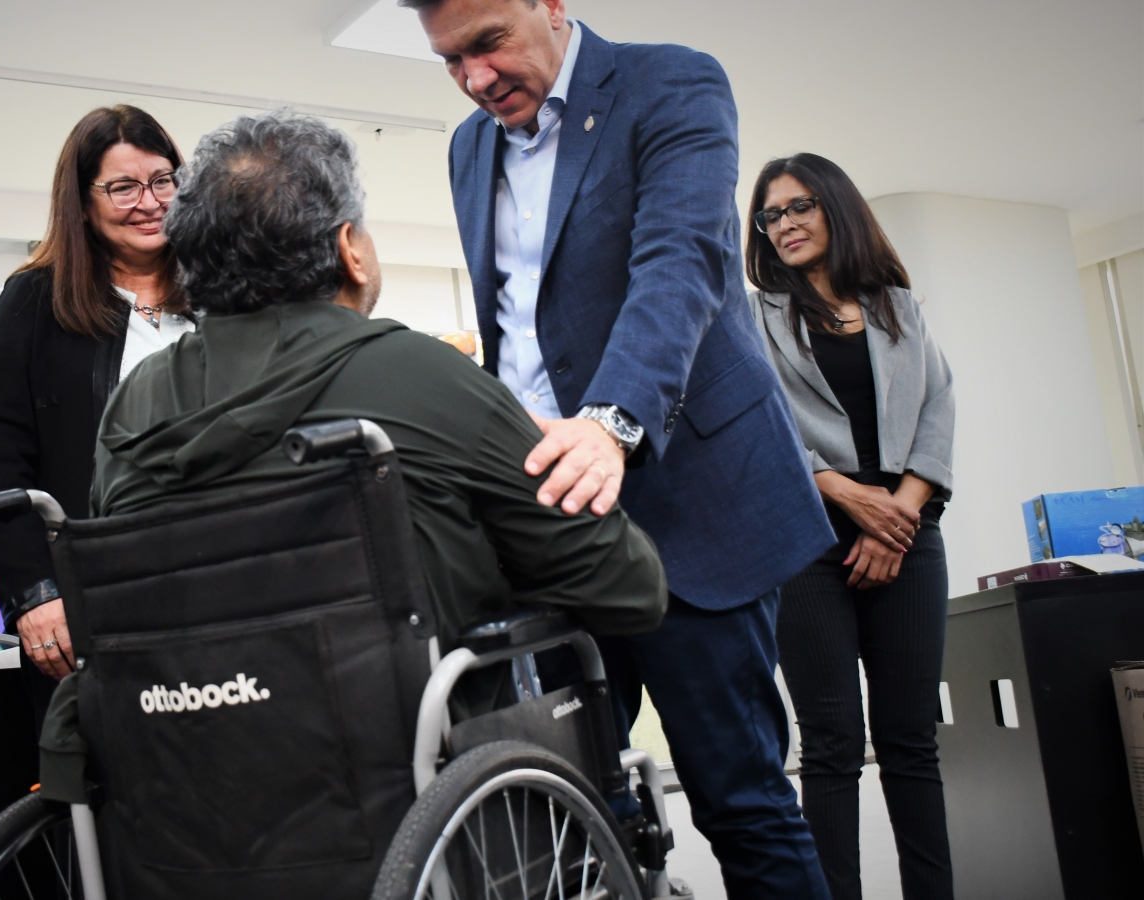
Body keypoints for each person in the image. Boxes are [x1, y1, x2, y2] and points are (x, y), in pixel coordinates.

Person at [405, 1, 837, 896]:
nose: (475, 79)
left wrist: (610, 419)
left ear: (552, 5)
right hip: (550, 516)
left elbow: (680, 261)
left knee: (738, 798)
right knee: (568, 806)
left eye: (487, 44)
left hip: (690, 499)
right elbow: (518, 331)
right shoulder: (467, 147)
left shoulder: (669, 82)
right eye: (450, 61)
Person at [92, 109, 667, 663]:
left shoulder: (133, 405)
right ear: (349, 250)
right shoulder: (425, 375)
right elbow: (628, 588)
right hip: (408, 752)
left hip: (185, 750)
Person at [747, 153, 956, 900]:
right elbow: (754, 422)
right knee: (832, 748)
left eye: (799, 206)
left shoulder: (900, 307)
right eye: (771, 216)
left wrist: (897, 511)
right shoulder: (755, 317)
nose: (785, 225)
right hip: (807, 542)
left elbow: (938, 407)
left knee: (911, 744)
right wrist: (842, 490)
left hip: (907, 535)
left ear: (836, 208)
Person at [0, 105, 192, 721]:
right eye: (122, 187)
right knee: (104, 787)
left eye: (162, 180)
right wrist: (35, 595)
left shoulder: (226, 294)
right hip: (89, 595)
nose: (149, 201)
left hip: (214, 580)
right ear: (83, 201)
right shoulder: (35, 299)